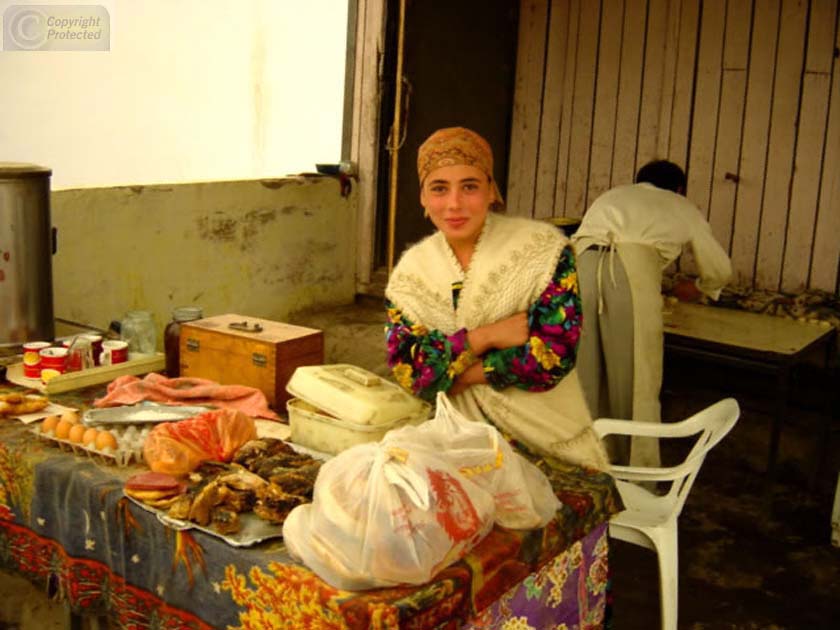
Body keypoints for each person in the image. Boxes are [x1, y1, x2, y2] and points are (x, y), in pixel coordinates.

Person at [385, 127, 609, 471]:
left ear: (491, 191)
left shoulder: (541, 252)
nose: (454, 204)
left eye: (470, 186)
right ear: (423, 198)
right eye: (439, 188)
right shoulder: (411, 274)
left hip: (546, 444)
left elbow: (551, 357)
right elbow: (410, 371)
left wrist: (455, 373)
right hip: (455, 443)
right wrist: (486, 337)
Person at [572, 160, 732, 467]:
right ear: (679, 189)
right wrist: (701, 287)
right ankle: (634, 470)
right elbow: (720, 269)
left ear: (638, 181)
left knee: (584, 374)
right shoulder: (681, 205)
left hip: (578, 269)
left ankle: (584, 465)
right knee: (634, 376)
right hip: (628, 276)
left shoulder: (612, 195)